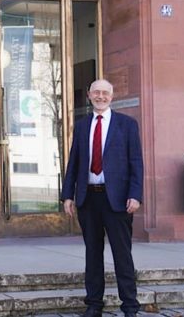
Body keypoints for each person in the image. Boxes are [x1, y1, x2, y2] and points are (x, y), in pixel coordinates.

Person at [61, 79, 143, 317]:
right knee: (92, 254)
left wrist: (135, 195)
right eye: (96, 92)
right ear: (89, 95)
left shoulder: (127, 125)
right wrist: (68, 195)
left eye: (105, 92)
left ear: (112, 96)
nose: (100, 96)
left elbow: (136, 162)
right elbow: (74, 162)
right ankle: (94, 304)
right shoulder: (82, 125)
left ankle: (129, 306)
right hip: (89, 199)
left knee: (122, 254)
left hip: (117, 200)